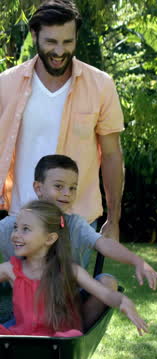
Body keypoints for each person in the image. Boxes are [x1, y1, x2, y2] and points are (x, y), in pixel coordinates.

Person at [0, 0, 124, 240]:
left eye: (68, 42)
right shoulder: (6, 85)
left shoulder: (101, 85)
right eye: (51, 42)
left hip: (77, 224)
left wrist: (114, 219)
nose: (59, 51)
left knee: (71, 280)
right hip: (21, 221)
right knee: (16, 280)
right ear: (35, 35)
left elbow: (112, 155)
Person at [0, 154, 157, 328]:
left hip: (68, 305)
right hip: (24, 318)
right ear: (38, 188)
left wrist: (135, 261)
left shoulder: (74, 229)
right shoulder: (15, 227)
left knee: (107, 282)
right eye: (58, 186)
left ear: (50, 238)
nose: (66, 193)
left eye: (72, 188)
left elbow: (103, 244)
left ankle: (75, 331)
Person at [0, 200, 147, 338]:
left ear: (50, 238)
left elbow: (106, 294)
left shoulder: (68, 270)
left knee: (68, 338)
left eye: (25, 229)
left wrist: (123, 301)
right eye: (15, 228)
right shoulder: (11, 270)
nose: (15, 235)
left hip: (60, 341)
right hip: (22, 338)